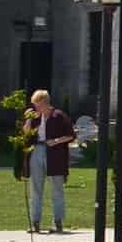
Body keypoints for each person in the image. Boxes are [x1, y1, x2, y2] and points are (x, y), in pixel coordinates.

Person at [22, 89, 74, 234]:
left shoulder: (58, 115)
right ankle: (35, 223)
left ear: (45, 103)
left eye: (38, 105)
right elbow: (26, 134)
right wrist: (28, 120)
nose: (36, 108)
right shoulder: (34, 117)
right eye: (34, 105)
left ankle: (58, 222)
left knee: (57, 188)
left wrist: (56, 141)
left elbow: (70, 135)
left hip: (55, 153)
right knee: (36, 188)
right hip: (37, 150)